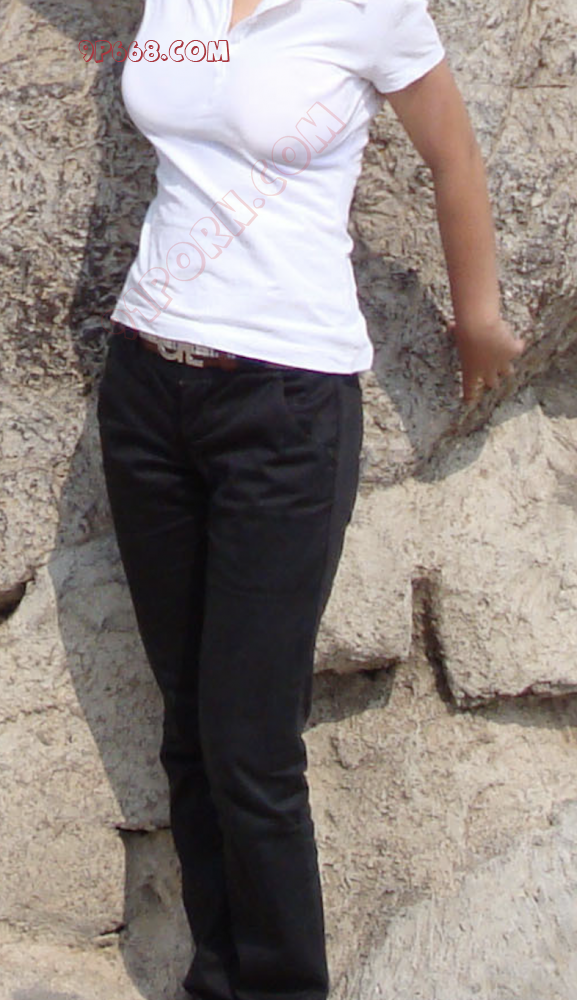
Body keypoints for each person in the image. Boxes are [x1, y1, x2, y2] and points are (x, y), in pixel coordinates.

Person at [96, 1, 526, 999]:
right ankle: (217, 979)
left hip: (284, 407)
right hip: (146, 384)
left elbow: (453, 157)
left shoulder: (369, 9)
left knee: (249, 740)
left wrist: (479, 318)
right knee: (189, 729)